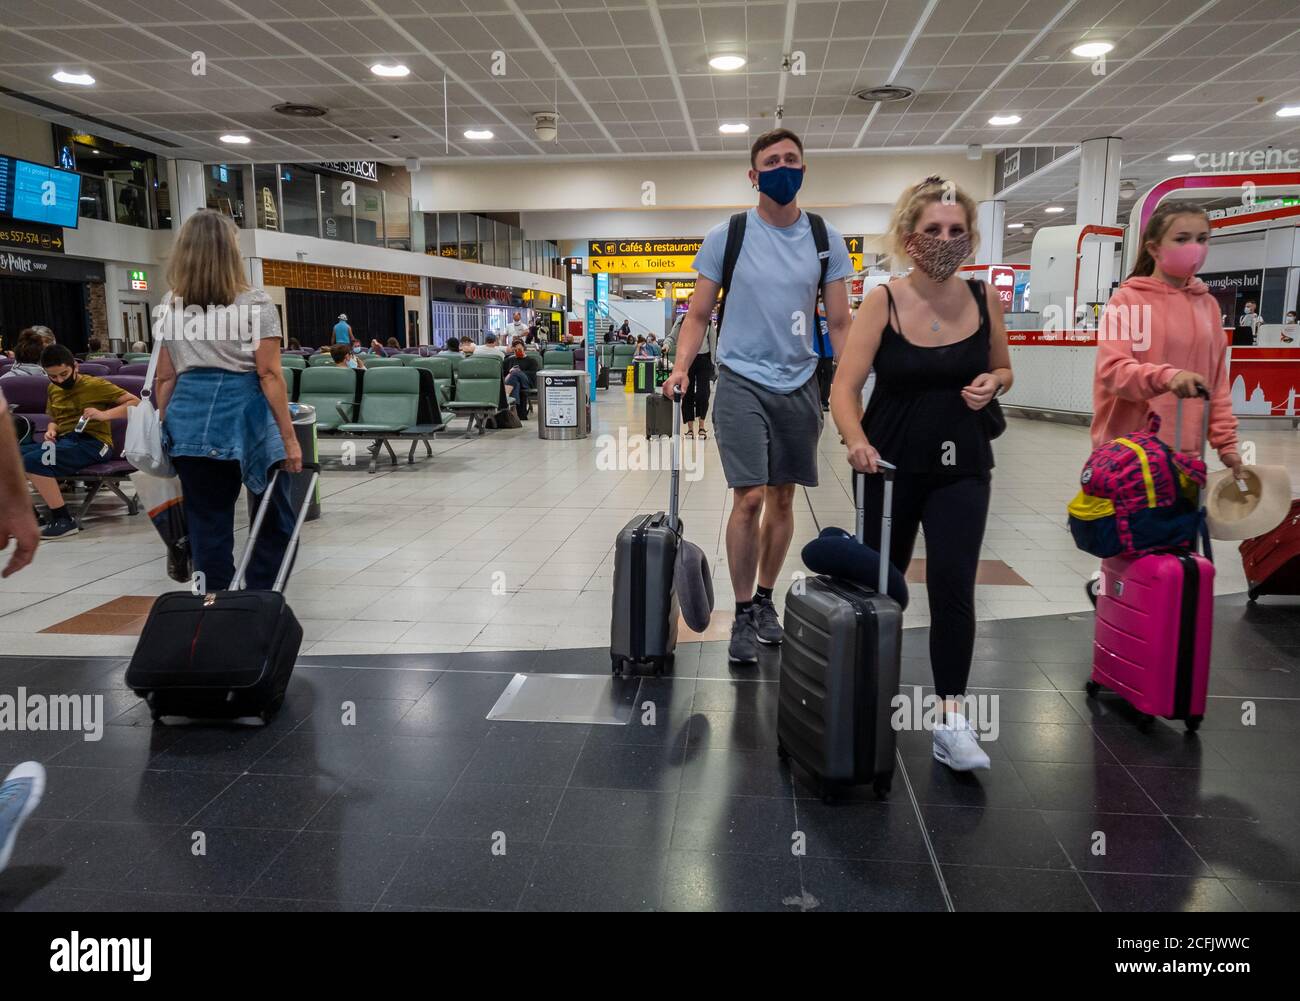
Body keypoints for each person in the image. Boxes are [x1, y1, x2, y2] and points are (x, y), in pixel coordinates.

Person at [830, 176, 1011, 773]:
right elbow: (845, 388)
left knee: (954, 588)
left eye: (957, 231)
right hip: (889, 464)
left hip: (964, 464)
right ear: (910, 236)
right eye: (933, 230)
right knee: (880, 587)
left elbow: (1003, 367)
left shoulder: (985, 299)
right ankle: (863, 700)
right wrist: (855, 440)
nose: (945, 239)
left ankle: (952, 721)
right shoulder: (882, 300)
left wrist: (995, 382)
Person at [662, 127, 853, 663]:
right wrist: (680, 369)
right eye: (772, 161)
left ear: (804, 169)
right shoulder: (730, 234)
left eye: (793, 159)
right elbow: (697, 313)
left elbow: (839, 323)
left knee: (784, 497)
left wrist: (853, 389)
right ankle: (743, 609)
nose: (783, 167)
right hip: (741, 380)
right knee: (748, 497)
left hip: (799, 382)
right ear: (754, 175)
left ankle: (767, 599)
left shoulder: (824, 237)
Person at [151, 209, 301, 592]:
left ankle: (213, 605)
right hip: (245, 417)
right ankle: (258, 599)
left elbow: (165, 375)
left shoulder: (169, 303)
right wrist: (289, 437)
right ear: (231, 252)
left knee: (207, 521)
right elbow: (268, 373)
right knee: (274, 517)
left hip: (188, 415)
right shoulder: (256, 302)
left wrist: (165, 423)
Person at [1093, 199, 1242, 479]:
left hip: (1187, 457)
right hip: (1129, 455)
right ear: (1154, 248)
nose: (1194, 248)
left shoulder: (1207, 305)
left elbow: (1217, 384)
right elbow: (1113, 371)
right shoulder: (1128, 301)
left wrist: (1227, 444)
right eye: (1181, 239)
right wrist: (1168, 377)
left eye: (1202, 239)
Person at [20, 344, 140, 539]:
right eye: (53, 376)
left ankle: (63, 519)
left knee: (34, 462)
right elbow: (54, 419)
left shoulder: (95, 385)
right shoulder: (53, 388)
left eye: (64, 374)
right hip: (66, 441)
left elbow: (135, 402)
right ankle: (31, 517)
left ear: (75, 366)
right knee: (10, 457)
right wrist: (51, 430)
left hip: (95, 444)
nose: (59, 380)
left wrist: (103, 415)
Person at [666, 311, 716, 439]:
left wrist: (714, 365)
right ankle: (689, 429)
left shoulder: (708, 322)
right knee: (686, 393)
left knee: (703, 394)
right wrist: (666, 344)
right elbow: (672, 336)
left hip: (704, 360)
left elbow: (713, 345)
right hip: (687, 360)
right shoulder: (682, 320)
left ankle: (701, 427)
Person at [504, 341, 539, 419]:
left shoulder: (531, 360)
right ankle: (517, 413)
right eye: (515, 350)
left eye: (519, 349)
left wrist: (514, 372)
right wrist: (510, 374)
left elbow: (533, 375)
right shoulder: (509, 360)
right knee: (516, 383)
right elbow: (503, 373)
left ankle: (506, 397)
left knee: (515, 371)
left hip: (528, 382)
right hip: (513, 383)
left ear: (524, 348)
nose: (518, 351)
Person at [812, 304, 835, 412]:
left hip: (828, 353)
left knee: (827, 377)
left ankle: (824, 401)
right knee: (816, 378)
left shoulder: (832, 319)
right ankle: (815, 401)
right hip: (815, 353)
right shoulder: (813, 319)